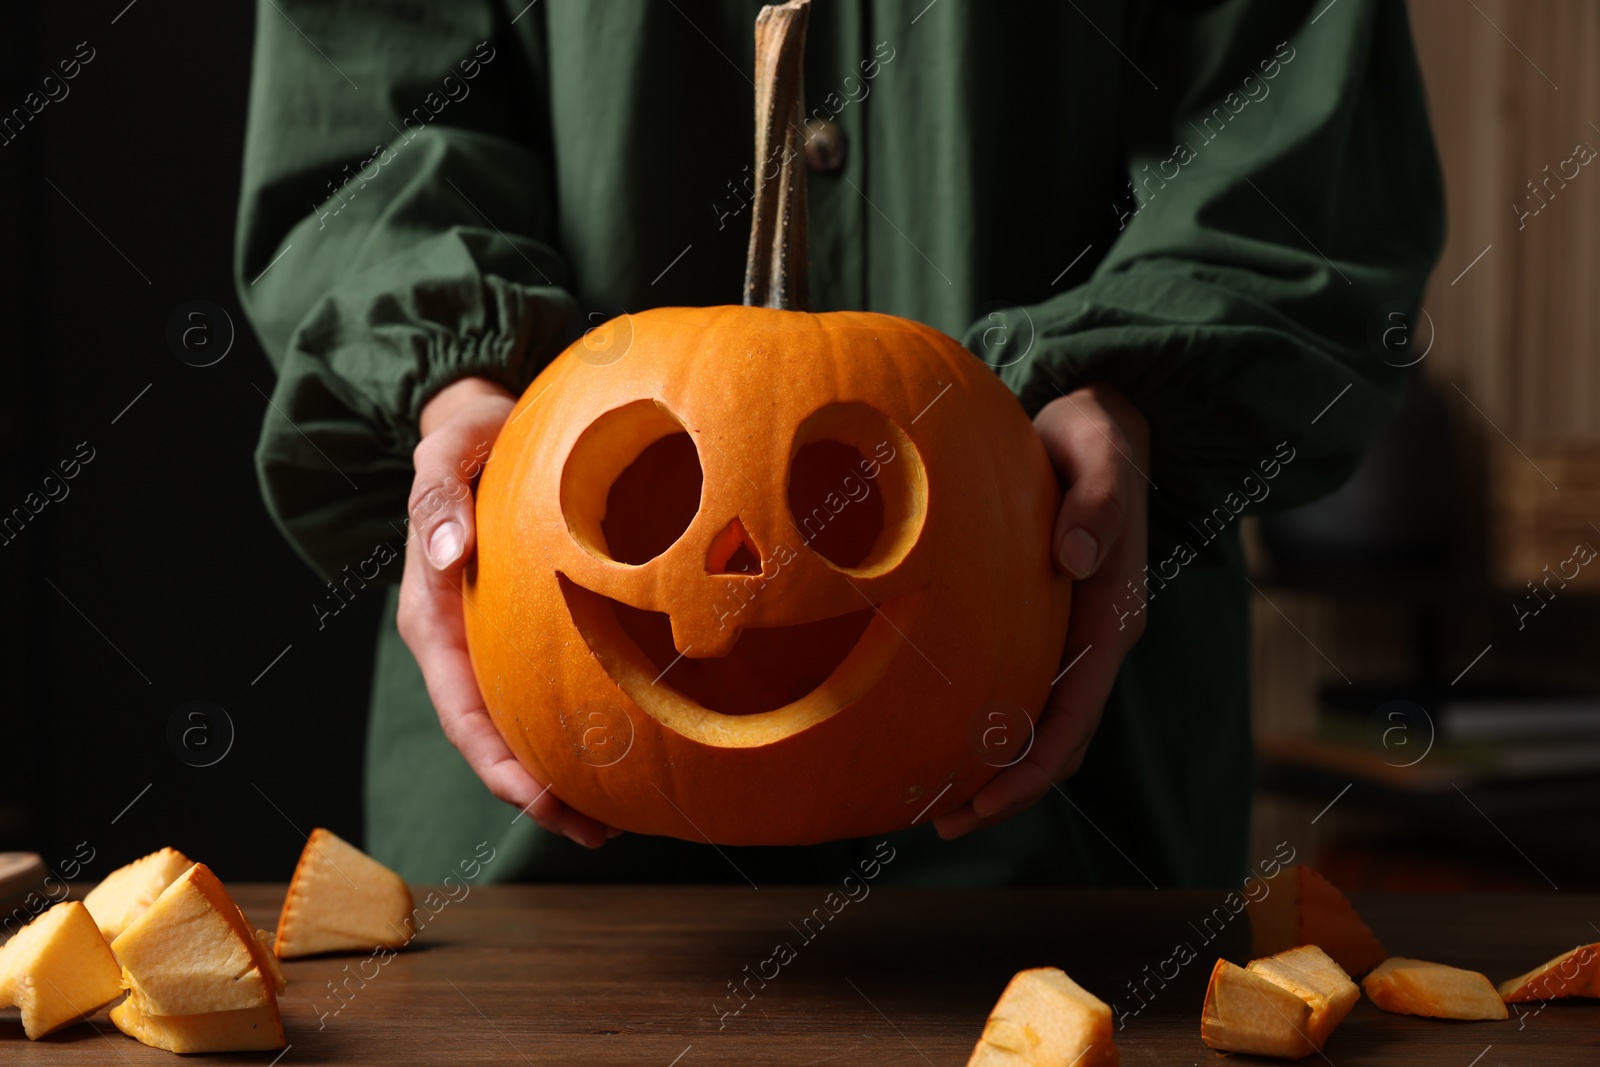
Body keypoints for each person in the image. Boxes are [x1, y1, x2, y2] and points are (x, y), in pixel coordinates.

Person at [236, 0, 1443, 887]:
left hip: (1073, 814)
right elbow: (367, 123)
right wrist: (453, 385)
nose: (745, 562)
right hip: (530, 847)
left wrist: (1126, 383)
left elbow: (1292, 129)